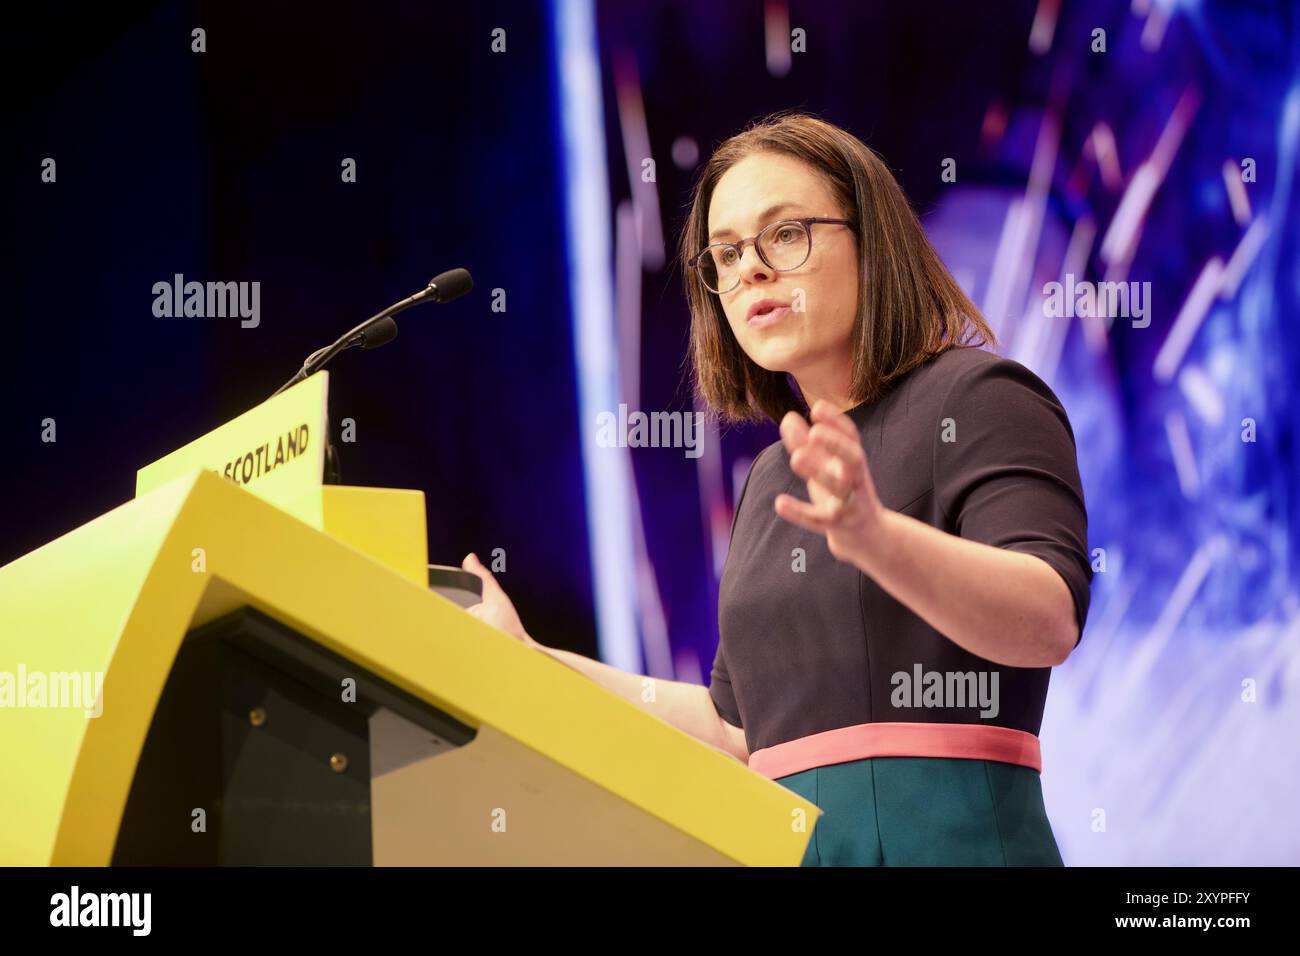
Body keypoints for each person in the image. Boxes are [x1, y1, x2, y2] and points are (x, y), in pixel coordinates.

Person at [461, 111, 1092, 866]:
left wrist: (875, 538)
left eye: (784, 235)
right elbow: (736, 727)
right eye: (724, 255)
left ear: (872, 240)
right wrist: (530, 659)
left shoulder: (982, 396)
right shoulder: (774, 476)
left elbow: (1048, 619)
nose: (750, 270)